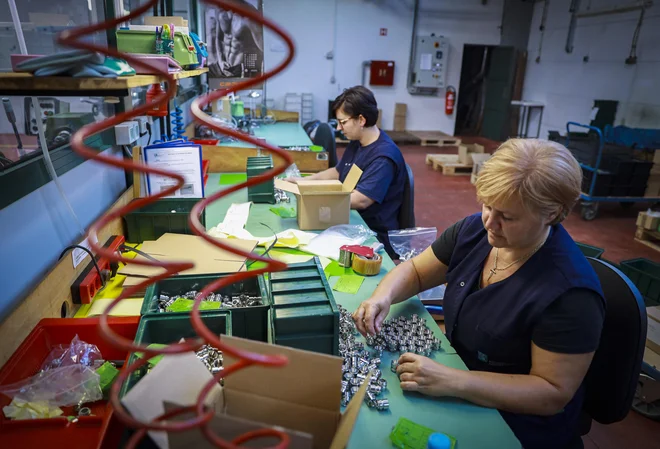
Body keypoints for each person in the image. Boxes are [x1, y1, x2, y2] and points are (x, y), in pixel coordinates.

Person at [352, 139, 606, 449]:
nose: (490, 221)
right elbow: (416, 271)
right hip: (459, 375)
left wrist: (451, 381)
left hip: (515, 422)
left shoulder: (571, 294)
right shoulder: (475, 231)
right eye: (487, 205)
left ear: (552, 214)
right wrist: (383, 296)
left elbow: (550, 393)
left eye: (508, 217)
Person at [288, 86, 407, 258]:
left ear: (361, 120)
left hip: (370, 234)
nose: (338, 128)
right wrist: (302, 181)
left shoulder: (383, 157)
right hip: (350, 219)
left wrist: (311, 198)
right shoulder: (358, 141)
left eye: (342, 122)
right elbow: (338, 172)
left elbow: (360, 200)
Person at [206, 0, 264, 78]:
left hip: (242, 69)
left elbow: (263, 47)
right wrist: (221, 62)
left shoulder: (249, 16)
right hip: (224, 66)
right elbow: (219, 38)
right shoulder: (221, 12)